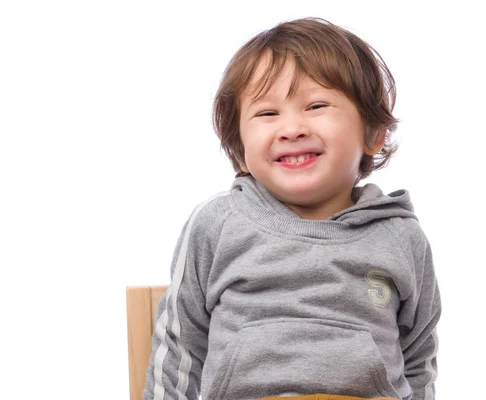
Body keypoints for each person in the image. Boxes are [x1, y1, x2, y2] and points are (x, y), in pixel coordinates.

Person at [143, 17, 441, 400]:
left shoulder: (400, 237)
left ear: (374, 133)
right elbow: (180, 350)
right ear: (240, 151)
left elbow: (419, 358)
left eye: (316, 105)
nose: (292, 128)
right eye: (267, 114)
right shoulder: (217, 225)